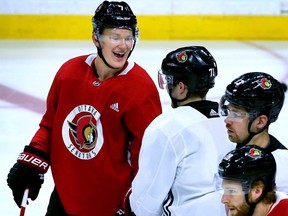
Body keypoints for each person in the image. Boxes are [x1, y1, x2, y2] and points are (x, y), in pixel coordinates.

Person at [6, 1, 162, 215]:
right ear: (96, 38)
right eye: (115, 37)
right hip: (63, 199)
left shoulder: (141, 88)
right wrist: (31, 162)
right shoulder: (69, 73)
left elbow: (148, 158)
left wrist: (133, 206)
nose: (123, 45)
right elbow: (50, 125)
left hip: (110, 207)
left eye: (128, 37)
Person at [123, 46, 235, 215]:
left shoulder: (166, 127)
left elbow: (146, 201)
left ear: (181, 88)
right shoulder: (232, 121)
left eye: (169, 81)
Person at [219, 72, 288, 193]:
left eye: (236, 114)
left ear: (260, 122)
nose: (227, 120)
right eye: (228, 111)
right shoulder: (222, 151)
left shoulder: (284, 167)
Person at [218, 144, 288, 216]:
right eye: (224, 190)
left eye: (231, 191)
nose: (223, 200)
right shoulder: (238, 209)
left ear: (257, 191)